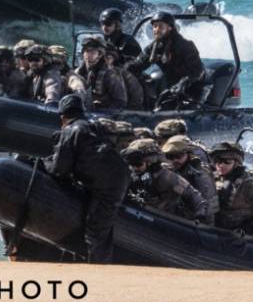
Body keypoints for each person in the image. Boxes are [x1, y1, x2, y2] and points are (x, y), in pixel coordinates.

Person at [44, 94, 129, 263]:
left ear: (62, 116)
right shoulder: (92, 126)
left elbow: (59, 169)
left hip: (107, 185)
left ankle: (98, 272)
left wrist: (45, 163)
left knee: (95, 230)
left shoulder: (71, 131)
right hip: (114, 177)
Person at [128, 12, 205, 107]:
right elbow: (138, 63)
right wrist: (121, 68)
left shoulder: (185, 45)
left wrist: (182, 84)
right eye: (155, 26)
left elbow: (197, 71)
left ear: (170, 27)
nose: (156, 29)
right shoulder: (154, 46)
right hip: (170, 86)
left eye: (160, 26)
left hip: (190, 87)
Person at [123, 139, 208, 221]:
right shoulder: (134, 176)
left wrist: (200, 212)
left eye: (138, 164)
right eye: (131, 164)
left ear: (150, 162)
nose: (134, 168)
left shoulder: (167, 177)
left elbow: (193, 195)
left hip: (173, 218)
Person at [209, 142, 253, 234]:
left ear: (236, 163)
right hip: (215, 227)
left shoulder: (249, 184)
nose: (221, 165)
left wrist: (252, 227)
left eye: (227, 162)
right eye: (218, 161)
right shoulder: (215, 177)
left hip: (237, 234)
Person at [161, 135, 219, 220]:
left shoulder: (200, 173)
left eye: (178, 156)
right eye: (170, 157)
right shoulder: (174, 168)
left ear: (189, 154)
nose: (175, 160)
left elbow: (209, 205)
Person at [75, 36, 127, 110]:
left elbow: (120, 102)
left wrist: (102, 109)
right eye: (86, 51)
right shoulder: (79, 72)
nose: (88, 55)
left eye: (92, 52)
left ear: (100, 55)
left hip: (102, 114)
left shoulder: (110, 74)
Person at [104, 44, 146, 109]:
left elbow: (135, 97)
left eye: (108, 58)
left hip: (128, 111)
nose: (105, 61)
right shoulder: (92, 71)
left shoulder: (120, 74)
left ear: (113, 59)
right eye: (102, 58)